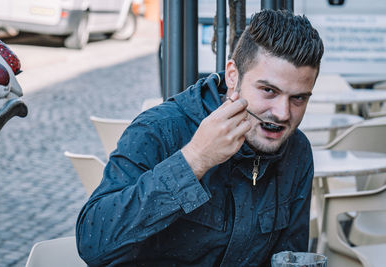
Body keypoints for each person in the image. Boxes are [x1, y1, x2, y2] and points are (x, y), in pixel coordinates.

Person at [76, 9, 324, 266]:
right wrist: (195, 159)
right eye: (269, 91)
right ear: (232, 75)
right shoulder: (160, 129)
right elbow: (92, 242)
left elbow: (289, 257)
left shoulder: (297, 150)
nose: (283, 113)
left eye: (298, 98)